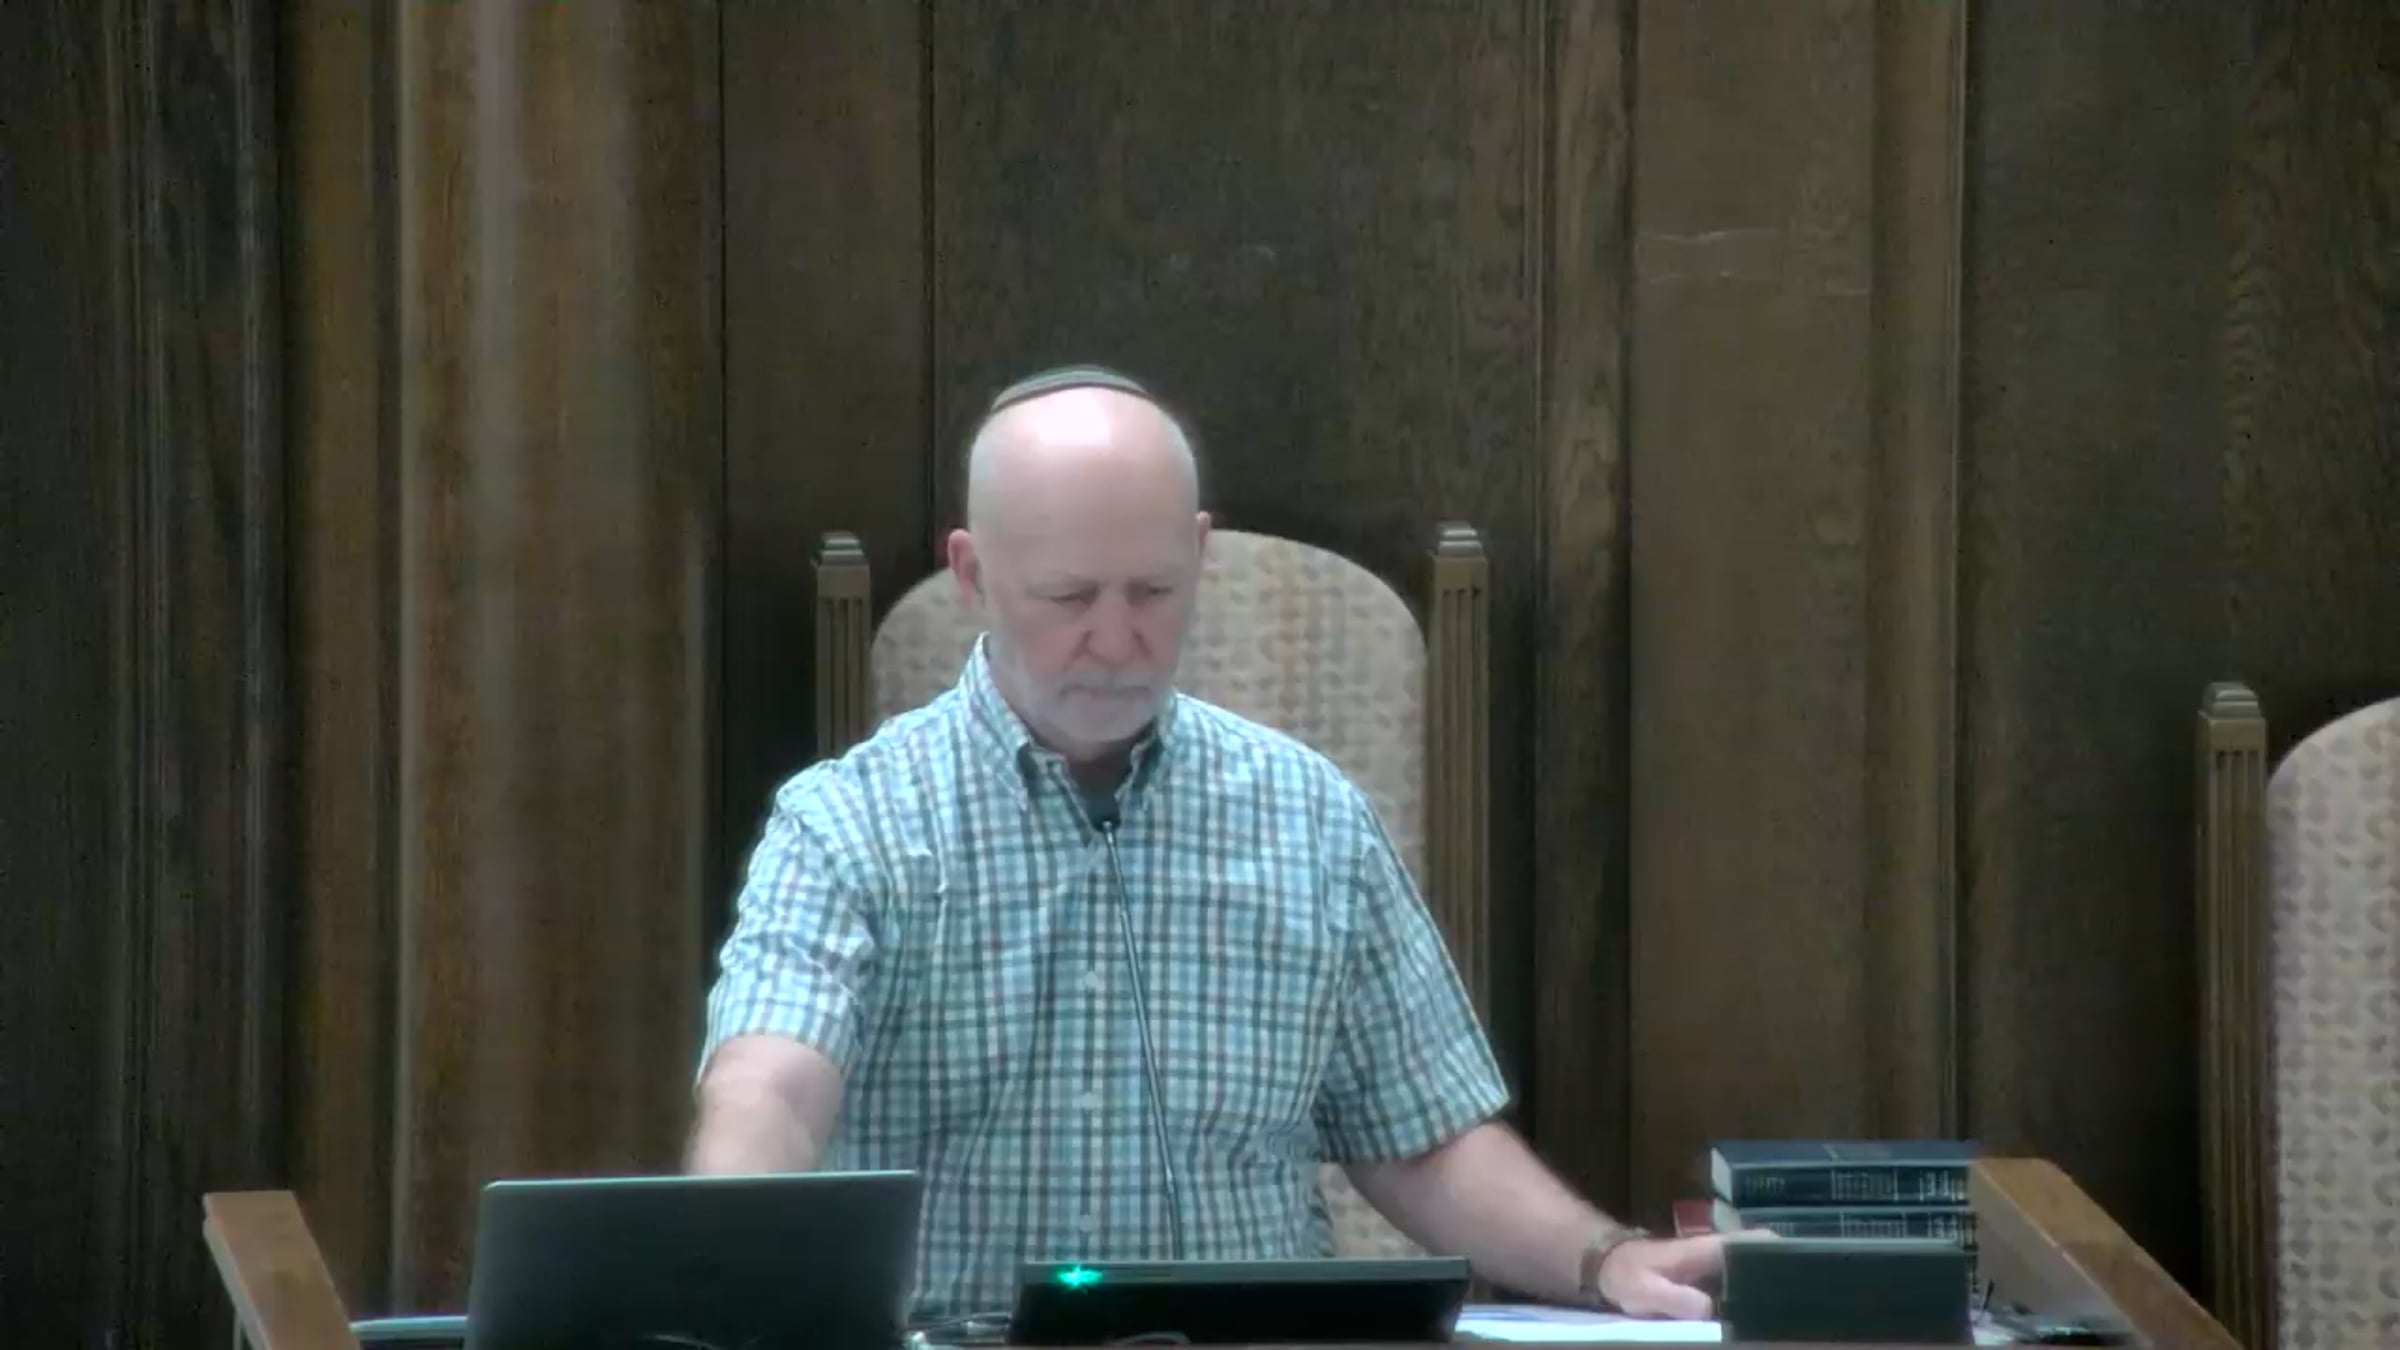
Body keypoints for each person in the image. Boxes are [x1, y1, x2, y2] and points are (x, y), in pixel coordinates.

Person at [687, 365, 1733, 1321]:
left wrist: (1604, 1260)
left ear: (1199, 551)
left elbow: (1423, 1140)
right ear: (970, 574)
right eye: (1067, 598)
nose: (1116, 640)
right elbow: (772, 1087)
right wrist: (725, 1263)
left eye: (1153, 591)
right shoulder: (849, 823)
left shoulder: (1309, 815)